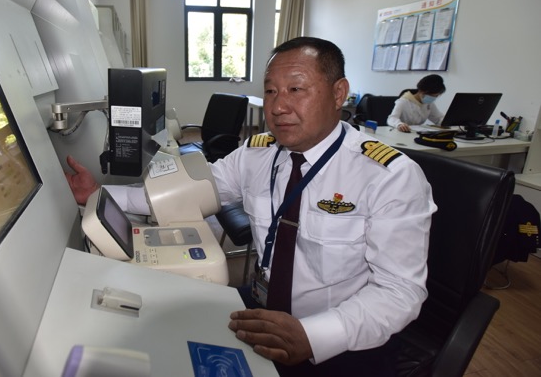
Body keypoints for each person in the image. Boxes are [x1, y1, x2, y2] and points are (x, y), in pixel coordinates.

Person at [65, 37, 435, 376]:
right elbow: (190, 193)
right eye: (270, 91)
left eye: (296, 89)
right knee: (165, 333)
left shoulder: (389, 176)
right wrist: (99, 194)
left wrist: (314, 335)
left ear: (339, 93)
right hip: (262, 305)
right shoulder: (257, 153)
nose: (279, 106)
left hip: (339, 339)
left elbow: (399, 292)